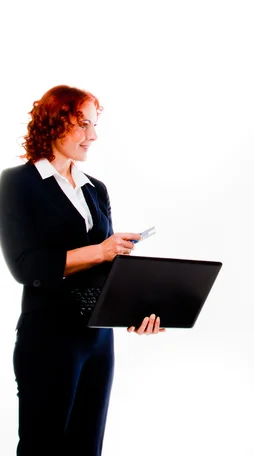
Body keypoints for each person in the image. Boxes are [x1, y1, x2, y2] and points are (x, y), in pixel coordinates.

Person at [0, 85, 164, 456]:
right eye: (81, 125)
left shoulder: (95, 189)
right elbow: (26, 267)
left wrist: (138, 310)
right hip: (48, 337)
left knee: (87, 448)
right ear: (53, 125)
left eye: (94, 124)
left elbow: (105, 269)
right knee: (42, 446)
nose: (93, 136)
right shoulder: (17, 184)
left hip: (97, 340)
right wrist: (99, 250)